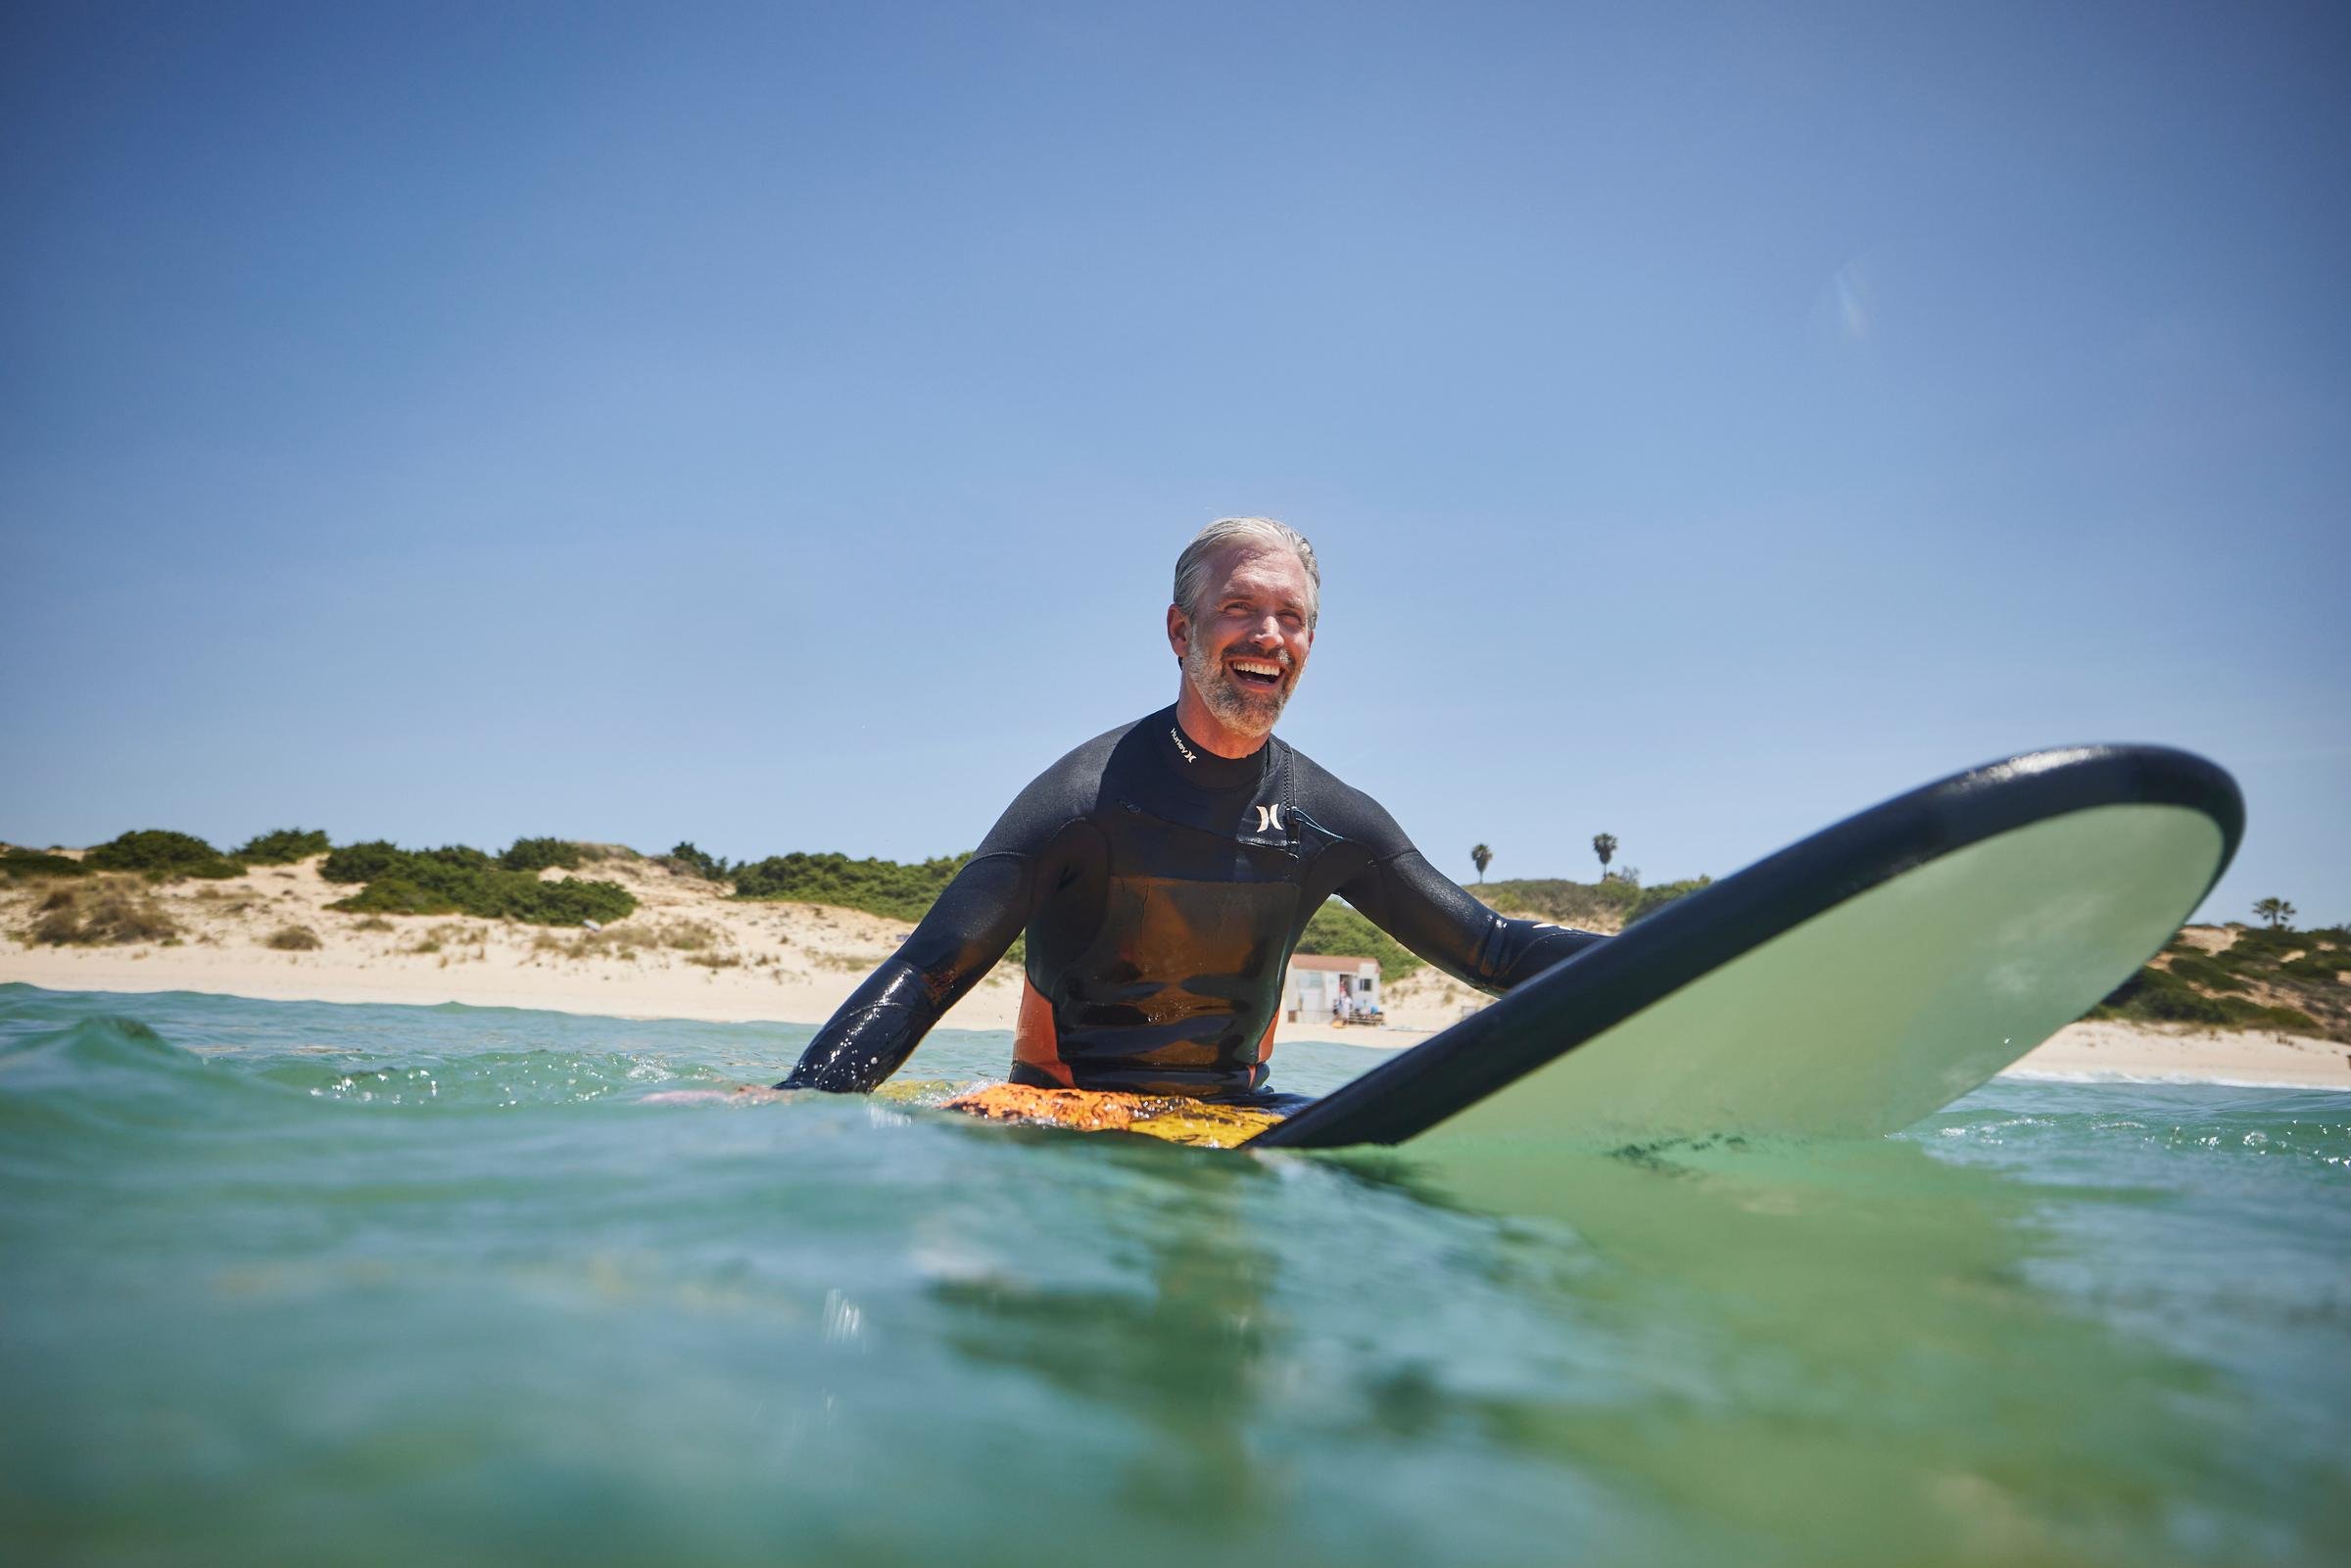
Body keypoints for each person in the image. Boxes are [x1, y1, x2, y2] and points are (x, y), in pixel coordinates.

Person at [778, 517, 1604, 1101]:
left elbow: (1493, 949)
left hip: (1233, 1121)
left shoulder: (1327, 817)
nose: (1269, 635)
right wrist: (802, 1101)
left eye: (1292, 618)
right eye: (1241, 607)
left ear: (1309, 645)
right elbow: (929, 971)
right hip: (1063, 1122)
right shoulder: (1083, 799)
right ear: (1181, 631)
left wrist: (1655, 962)